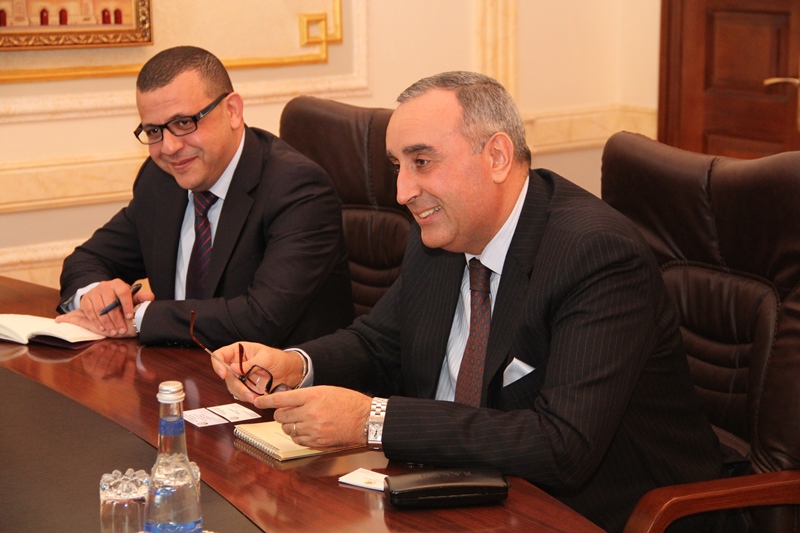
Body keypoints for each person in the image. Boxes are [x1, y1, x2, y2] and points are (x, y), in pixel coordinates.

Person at [210, 72, 724, 532]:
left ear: (497, 156)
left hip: (595, 512)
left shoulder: (595, 254)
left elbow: (561, 445)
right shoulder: (443, 233)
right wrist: (297, 364)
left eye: (422, 162)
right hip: (460, 491)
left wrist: (373, 419)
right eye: (397, 166)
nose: (402, 191)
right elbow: (381, 342)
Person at [56, 46, 353, 347]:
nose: (169, 148)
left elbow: (261, 318)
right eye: (154, 131)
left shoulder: (298, 189)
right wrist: (95, 298)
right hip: (178, 367)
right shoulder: (160, 180)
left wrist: (137, 317)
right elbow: (88, 259)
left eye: (184, 123)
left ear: (232, 111)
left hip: (272, 374)